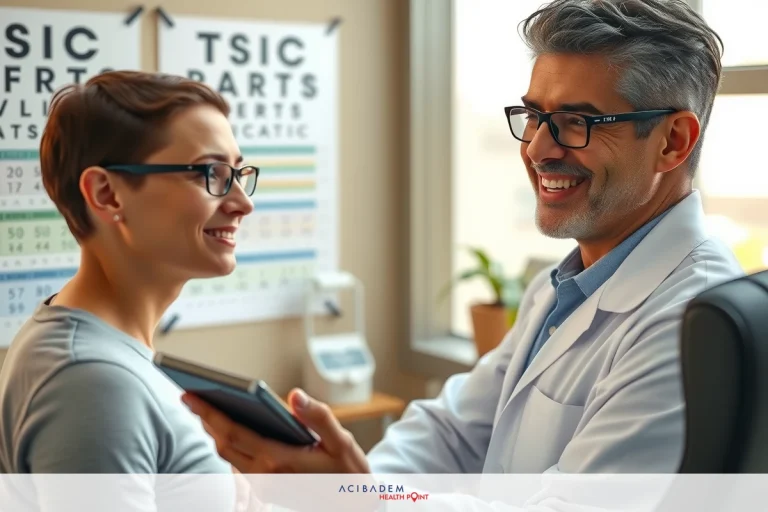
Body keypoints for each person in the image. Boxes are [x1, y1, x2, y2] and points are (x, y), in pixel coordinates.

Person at [183, 0, 744, 482]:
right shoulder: (565, 286)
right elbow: (452, 430)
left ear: (673, 141)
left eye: (577, 121)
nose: (537, 148)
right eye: (533, 115)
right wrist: (348, 478)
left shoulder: (688, 320)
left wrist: (360, 498)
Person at [0, 71, 257, 477]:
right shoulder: (91, 384)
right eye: (208, 173)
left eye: (238, 175)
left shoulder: (96, 356)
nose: (242, 203)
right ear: (107, 194)